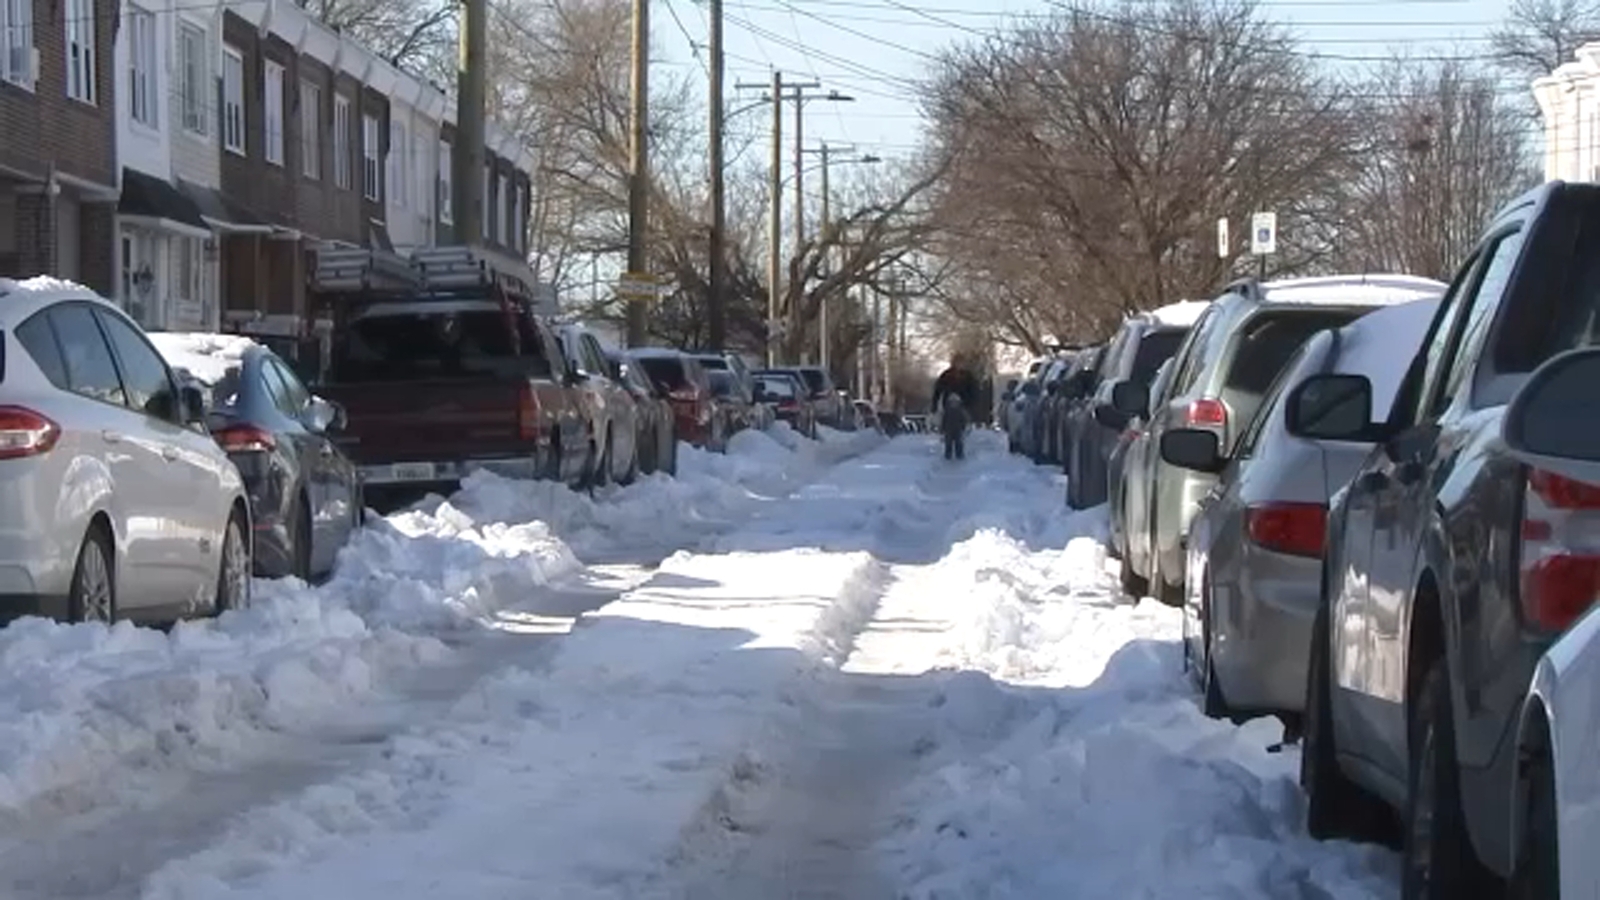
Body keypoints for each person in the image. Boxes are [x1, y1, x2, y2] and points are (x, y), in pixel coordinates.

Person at [930, 353, 980, 460]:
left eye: (961, 362)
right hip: (948, 405)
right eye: (957, 362)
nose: (959, 364)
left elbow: (974, 391)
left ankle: (959, 450)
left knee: (961, 428)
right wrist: (934, 405)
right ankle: (948, 448)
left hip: (963, 405)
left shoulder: (968, 376)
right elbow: (937, 391)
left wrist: (971, 404)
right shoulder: (946, 375)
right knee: (948, 428)